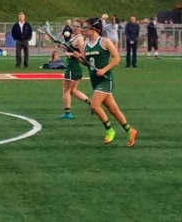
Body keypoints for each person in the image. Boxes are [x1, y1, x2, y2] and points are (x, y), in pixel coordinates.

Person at [75, 17, 138, 147]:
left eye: (86, 28)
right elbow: (87, 63)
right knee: (113, 109)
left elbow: (117, 59)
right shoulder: (85, 44)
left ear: (94, 29)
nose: (83, 30)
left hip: (106, 79)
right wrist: (79, 58)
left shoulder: (104, 41)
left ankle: (109, 130)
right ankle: (130, 130)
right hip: (95, 80)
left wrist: (104, 70)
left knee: (94, 106)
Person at [58, 19, 91, 119]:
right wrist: (64, 48)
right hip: (73, 67)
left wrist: (71, 54)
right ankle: (92, 104)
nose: (74, 27)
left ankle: (68, 113)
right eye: (74, 25)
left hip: (73, 67)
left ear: (81, 28)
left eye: (77, 26)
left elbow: (82, 55)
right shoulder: (74, 37)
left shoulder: (80, 39)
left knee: (66, 90)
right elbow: (70, 49)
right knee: (73, 91)